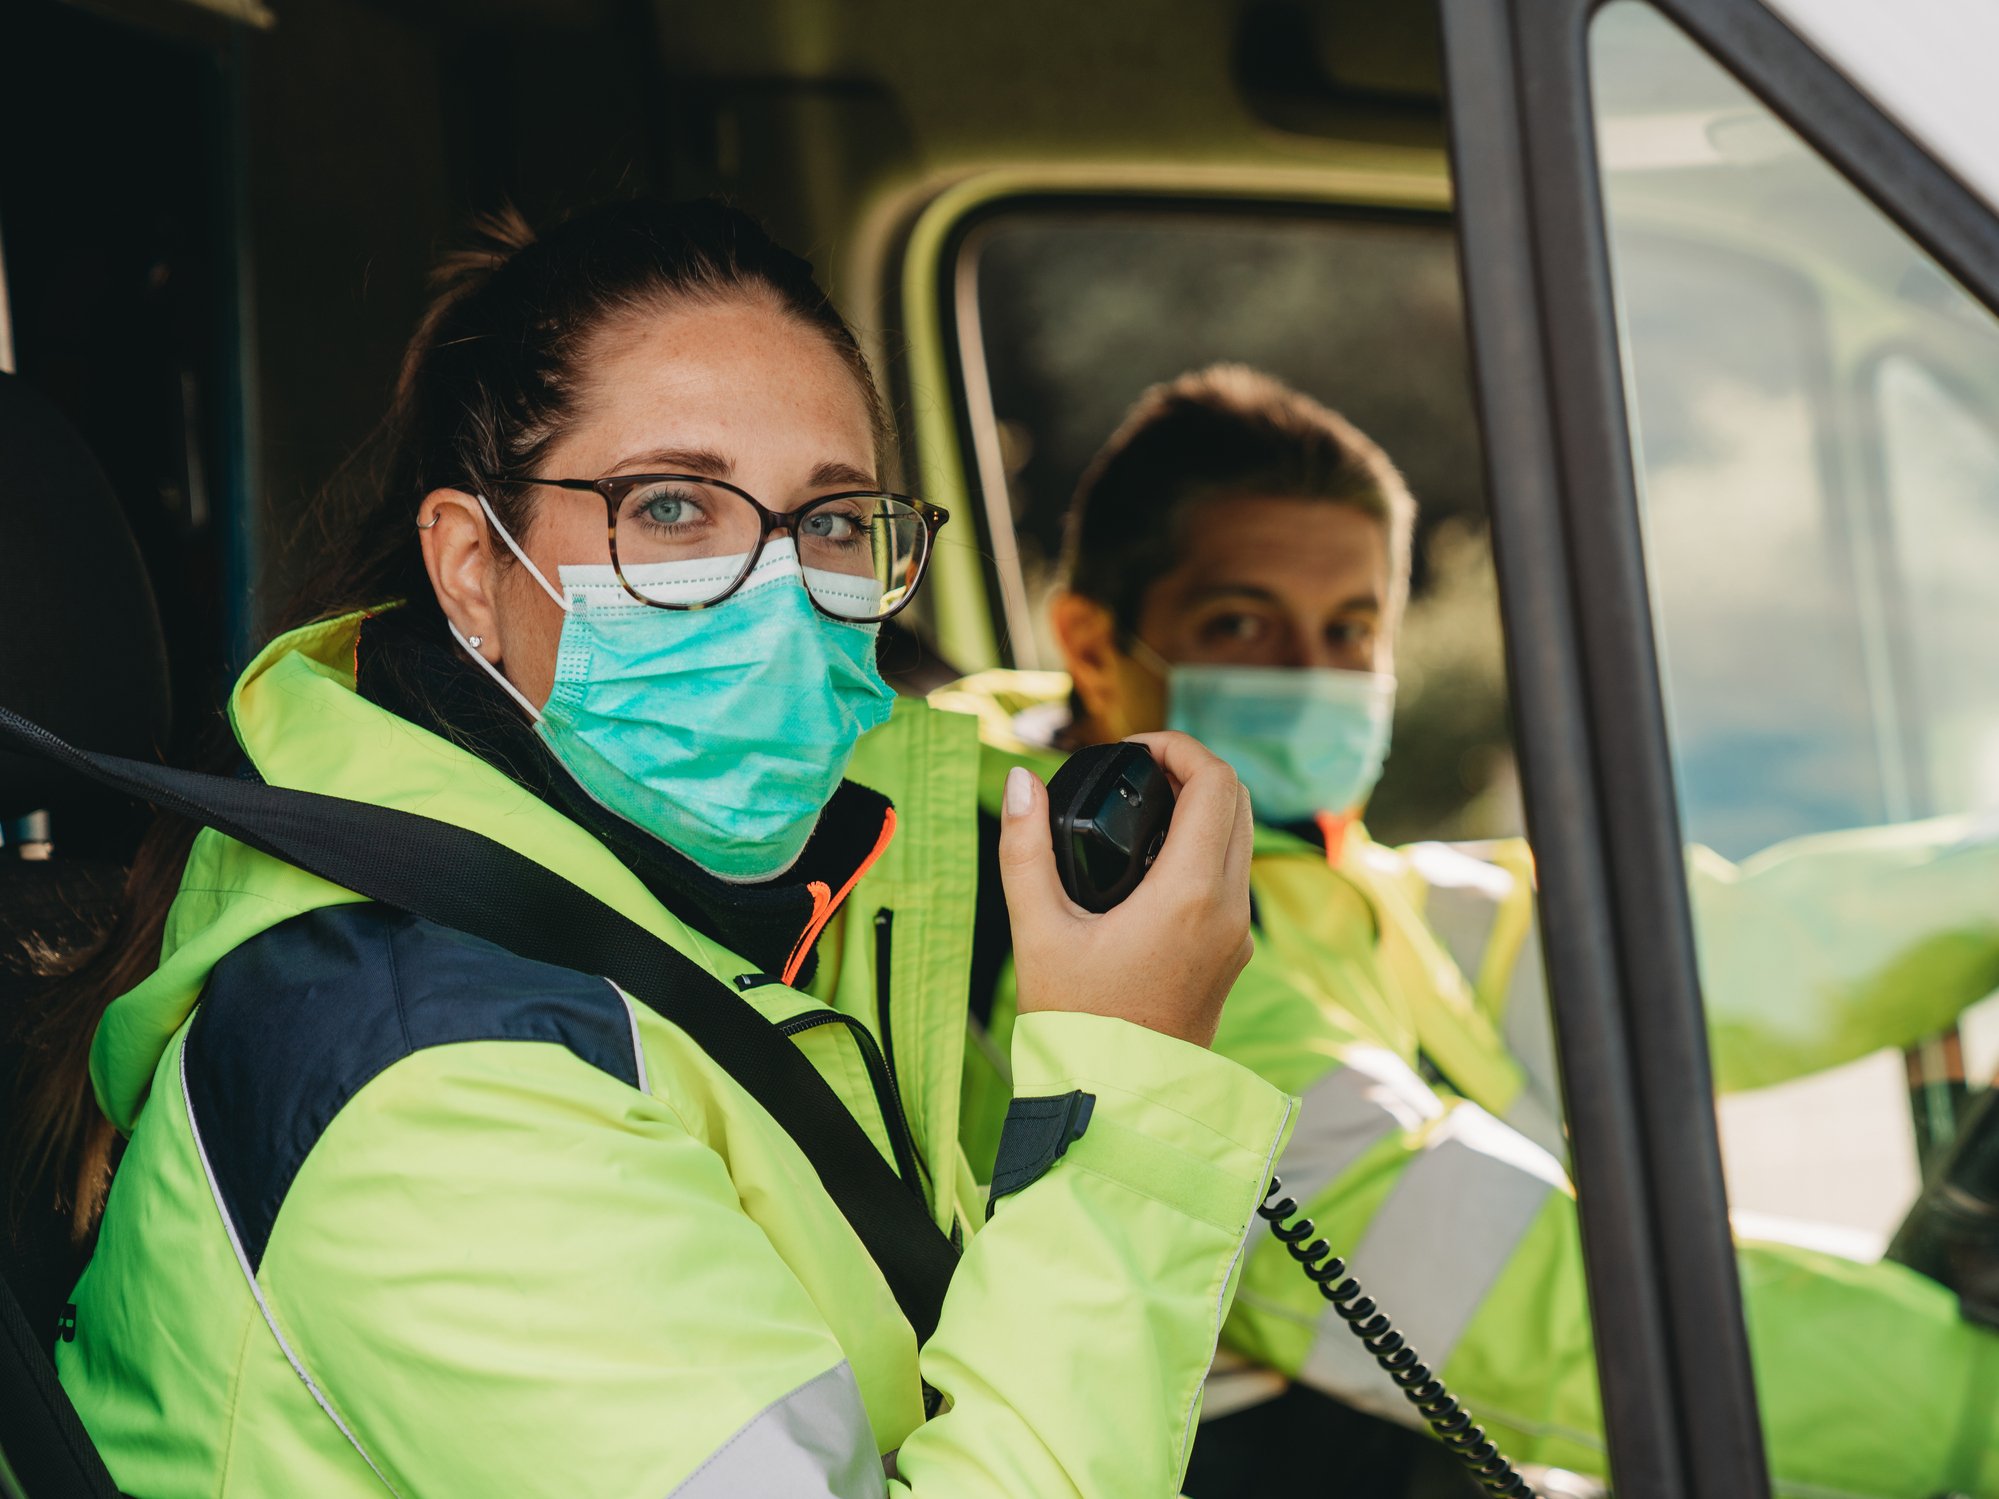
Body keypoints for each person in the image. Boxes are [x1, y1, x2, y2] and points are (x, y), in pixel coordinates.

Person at [23, 201, 1295, 1497]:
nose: (781, 584)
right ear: (471, 567)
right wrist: (1126, 1100)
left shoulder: (739, 899)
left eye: (836, 520)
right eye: (675, 505)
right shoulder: (435, 1074)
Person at [931, 364, 1999, 1497]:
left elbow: (1720, 956)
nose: (1313, 675)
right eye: (1240, 621)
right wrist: (1972, 1408)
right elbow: (1520, 1303)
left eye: (1350, 628)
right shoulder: (1099, 931)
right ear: (1091, 644)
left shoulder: (1344, 886)